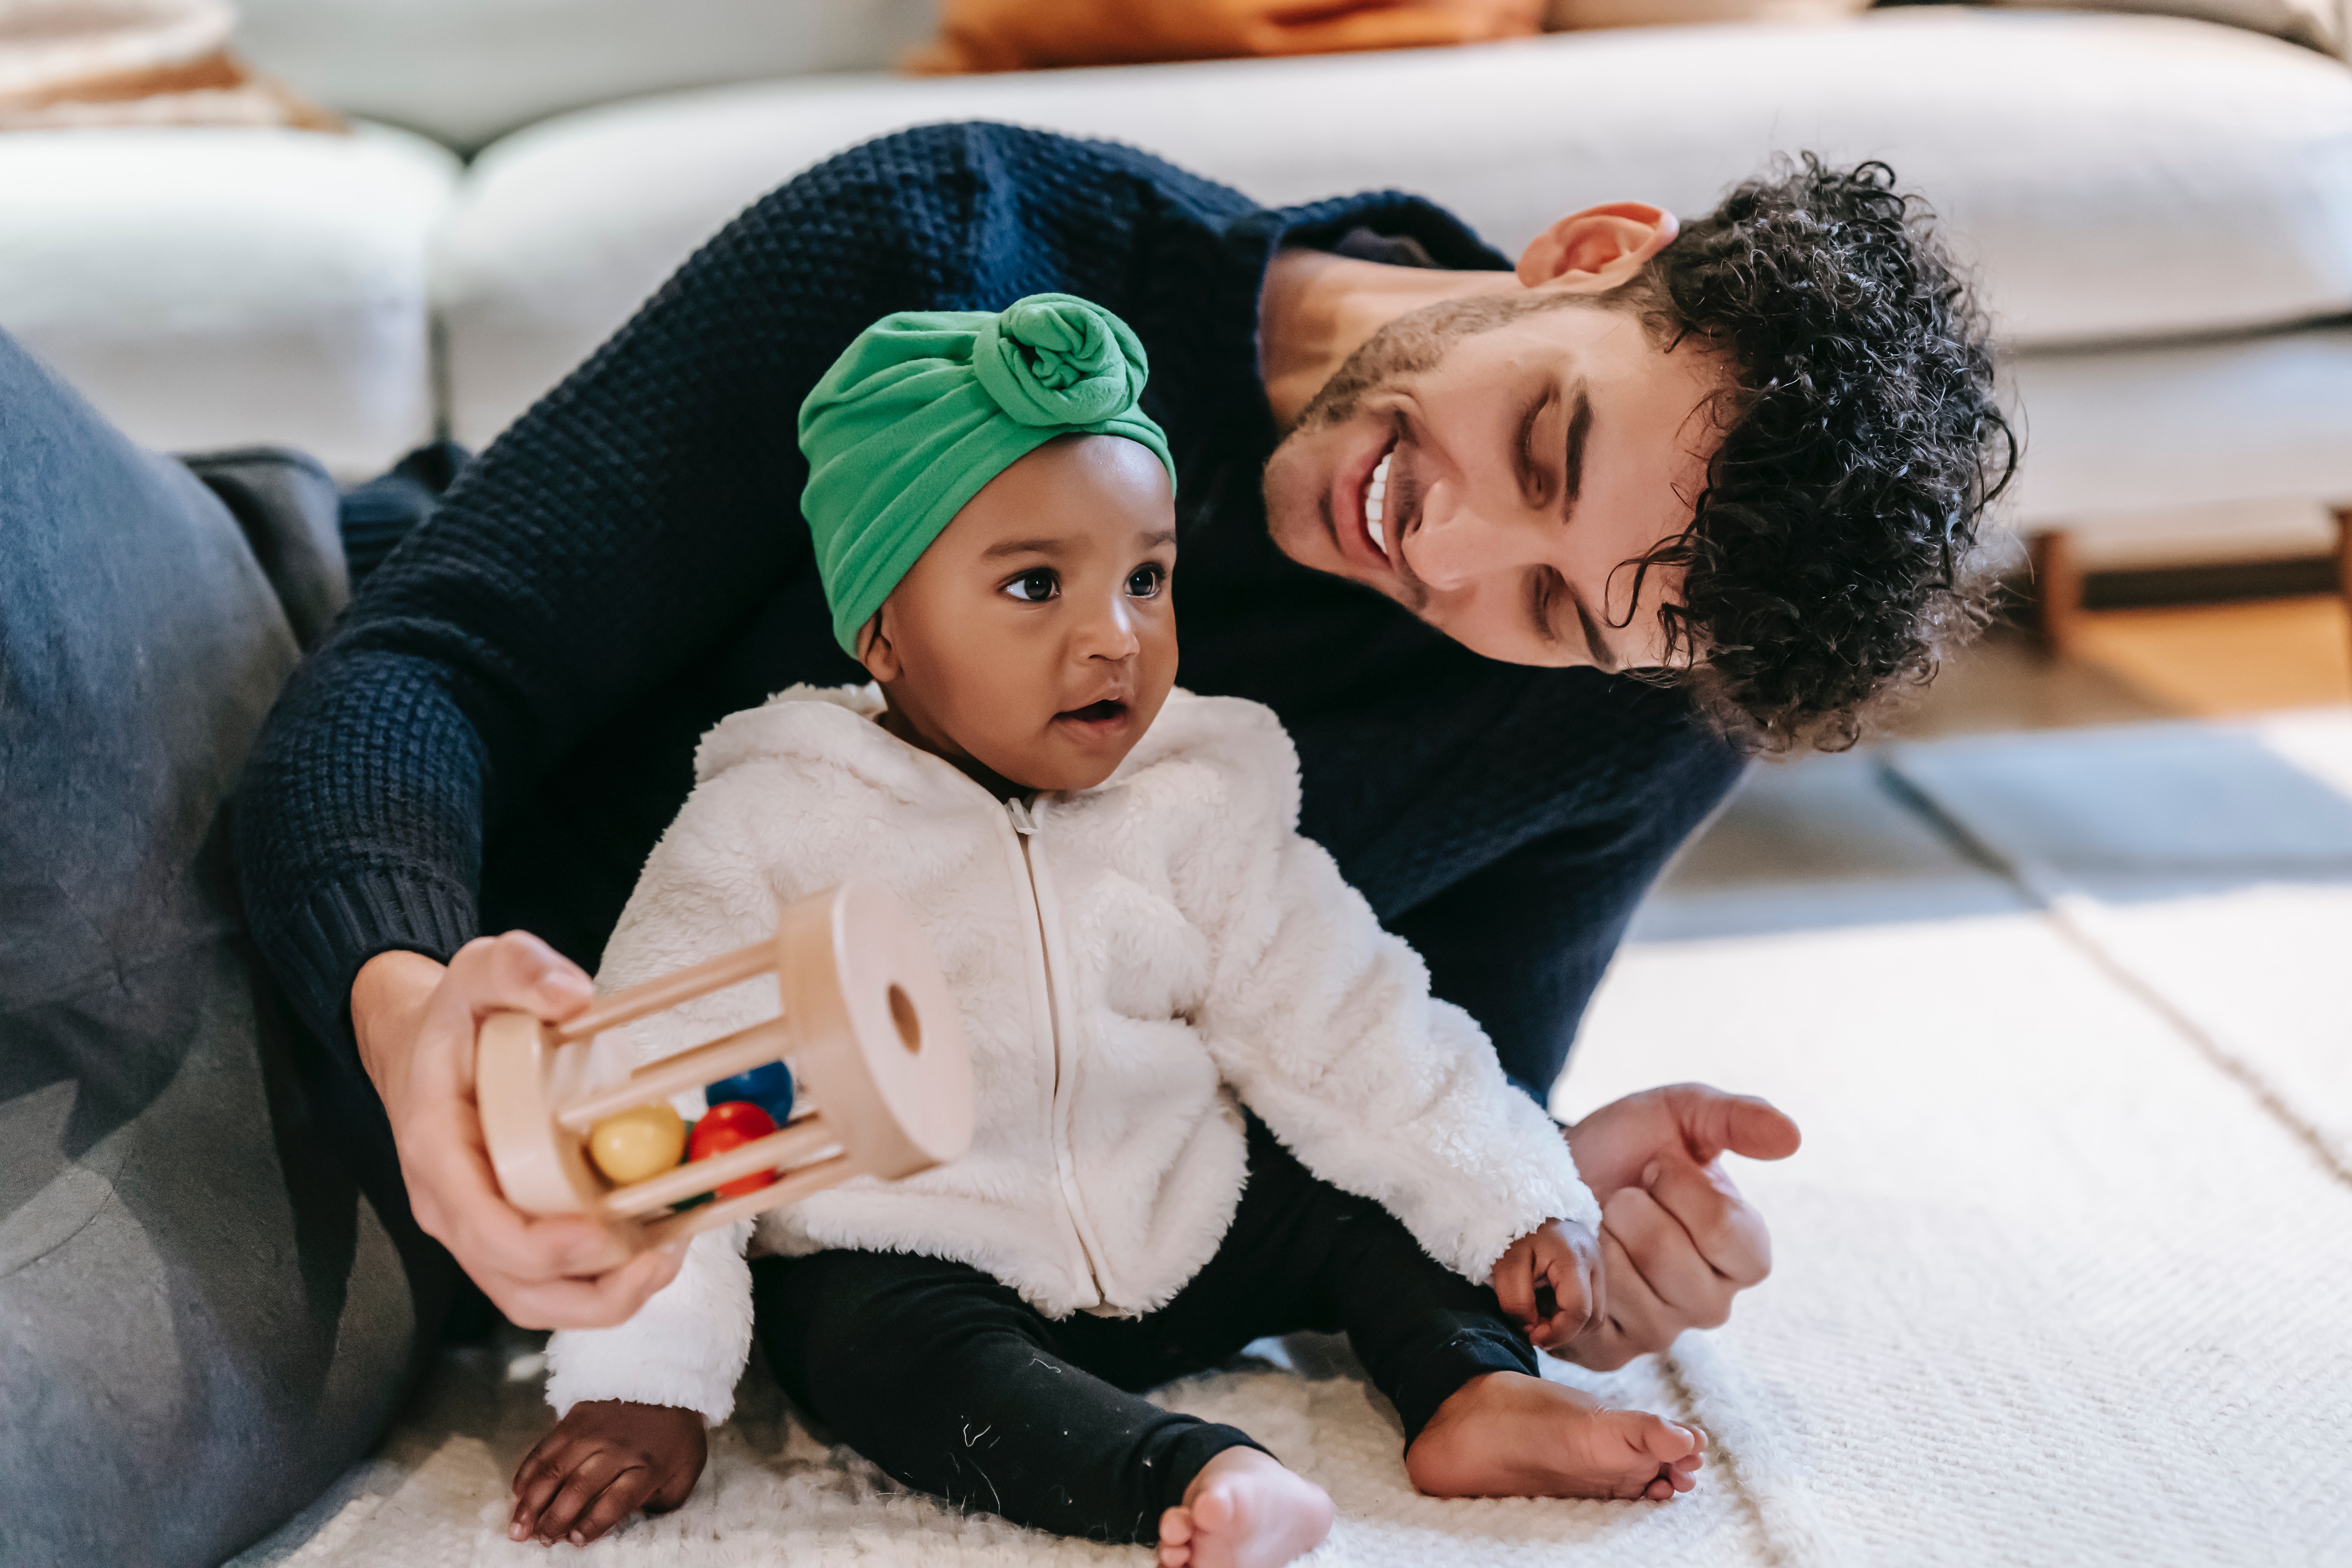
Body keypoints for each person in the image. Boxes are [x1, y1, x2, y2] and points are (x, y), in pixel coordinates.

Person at [0, 121, 2003, 1564]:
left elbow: (1329, 1105)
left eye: (1556, 606)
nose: (1451, 544)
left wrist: (1547, 1218)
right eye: (1541, 442)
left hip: (470, 1185)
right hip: (267, 667)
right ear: (1588, 255)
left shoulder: (1613, 730)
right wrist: (410, 1005)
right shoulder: (960, 246)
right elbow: (439, 663)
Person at [508, 295, 1706, 1561]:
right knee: (866, 1349)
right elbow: (669, 1089)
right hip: (925, 1252)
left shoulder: (1200, 793)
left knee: (1368, 1190)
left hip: (1180, 1213)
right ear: (884, 630)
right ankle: (1181, 1476)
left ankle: (1473, 1390)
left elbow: (1344, 1012)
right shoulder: (773, 819)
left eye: (1146, 578)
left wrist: (1516, 1194)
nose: (1115, 637)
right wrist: (639, 1381)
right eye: (1036, 585)